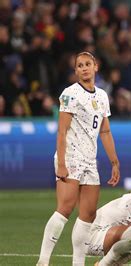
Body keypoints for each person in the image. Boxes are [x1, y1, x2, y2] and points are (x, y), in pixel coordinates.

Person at [37, 52, 120, 266]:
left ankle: (78, 263)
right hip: (71, 157)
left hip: (90, 160)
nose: (84, 68)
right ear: (75, 71)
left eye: (87, 64)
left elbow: (105, 132)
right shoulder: (70, 94)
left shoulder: (102, 96)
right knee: (65, 208)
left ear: (96, 67)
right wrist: (62, 163)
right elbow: (61, 131)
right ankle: (43, 261)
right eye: (79, 65)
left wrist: (114, 161)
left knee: (88, 214)